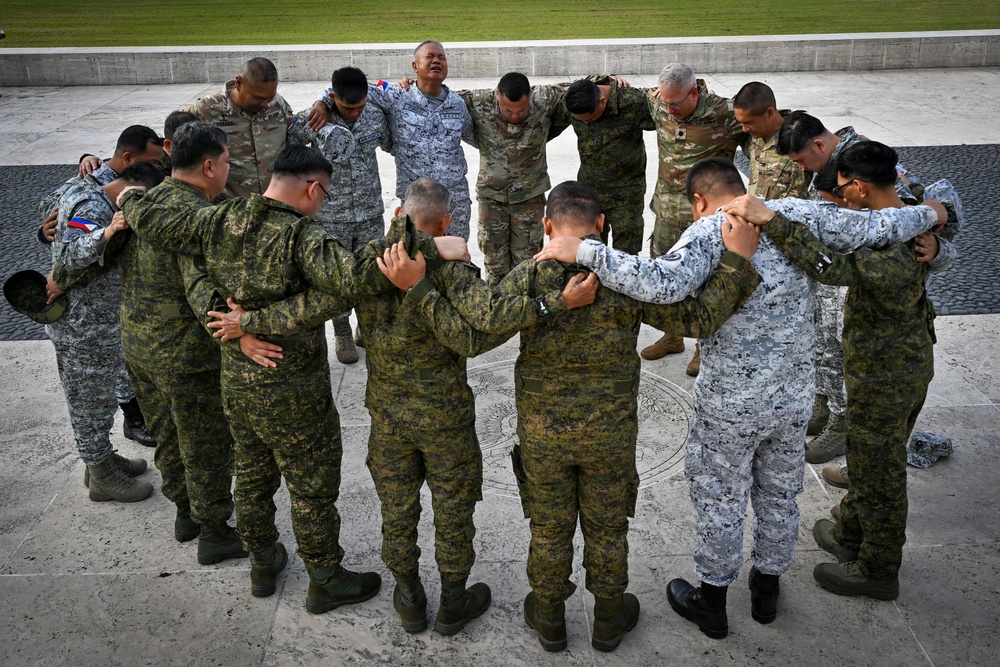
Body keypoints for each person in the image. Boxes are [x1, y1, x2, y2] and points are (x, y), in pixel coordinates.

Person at [534, 158, 948, 639]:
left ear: (698, 200)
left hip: (730, 404)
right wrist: (932, 215)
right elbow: (879, 224)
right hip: (793, 398)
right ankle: (766, 590)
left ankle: (711, 603)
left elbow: (660, 284)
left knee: (720, 500)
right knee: (779, 493)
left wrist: (586, 251)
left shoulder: (711, 231)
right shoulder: (798, 214)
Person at [120, 144, 467, 611]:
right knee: (311, 486)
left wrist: (127, 199)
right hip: (294, 387)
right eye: (323, 196)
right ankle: (324, 576)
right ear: (313, 188)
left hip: (238, 378)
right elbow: (351, 284)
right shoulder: (303, 239)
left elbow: (177, 252)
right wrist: (427, 244)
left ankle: (262, 561)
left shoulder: (217, 219)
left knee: (251, 471)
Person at [762, 142, 960, 599]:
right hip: (900, 361)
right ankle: (850, 533)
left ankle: (878, 568)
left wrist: (775, 224)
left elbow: (828, 267)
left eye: (845, 185)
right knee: (871, 455)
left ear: (864, 188)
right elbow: (933, 202)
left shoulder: (892, 249)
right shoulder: (906, 212)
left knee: (879, 471)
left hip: (887, 374)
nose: (840, 194)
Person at [115, 121, 256, 564]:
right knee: (206, 443)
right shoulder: (196, 220)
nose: (229, 171)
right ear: (211, 166)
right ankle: (214, 531)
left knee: (168, 435)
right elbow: (204, 295)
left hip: (138, 347)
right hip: (185, 355)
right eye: (229, 162)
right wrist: (245, 332)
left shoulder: (148, 200)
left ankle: (185, 514)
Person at [776, 110, 919, 465]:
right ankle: (824, 406)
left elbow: (906, 210)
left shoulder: (863, 157)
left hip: (859, 274)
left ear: (820, 145)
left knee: (842, 350)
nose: (801, 168)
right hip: (832, 273)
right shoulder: (831, 158)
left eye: (802, 160)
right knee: (824, 345)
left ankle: (842, 423)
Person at [47, 162, 165, 503]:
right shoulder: (94, 206)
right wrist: (108, 233)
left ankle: (100, 458)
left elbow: (51, 224)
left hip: (97, 320)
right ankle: (100, 476)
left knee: (99, 398)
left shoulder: (93, 194)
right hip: (84, 325)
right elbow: (70, 252)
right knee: (89, 401)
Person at [312, 40, 476, 240]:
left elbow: (474, 136)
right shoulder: (395, 94)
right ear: (414, 66)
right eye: (430, 57)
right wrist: (322, 102)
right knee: (413, 258)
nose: (436, 61)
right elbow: (347, 85)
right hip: (416, 201)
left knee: (455, 257)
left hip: (453, 200)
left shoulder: (457, 104)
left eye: (441, 57)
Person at [641, 63, 746, 365]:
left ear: (694, 93)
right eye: (665, 102)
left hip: (706, 222)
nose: (669, 109)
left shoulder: (725, 113)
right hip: (666, 214)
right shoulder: (659, 101)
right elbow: (621, 92)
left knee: (705, 284)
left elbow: (768, 121)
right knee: (664, 277)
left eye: (675, 103)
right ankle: (672, 336)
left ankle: (703, 347)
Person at [288, 66, 392, 364]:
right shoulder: (316, 116)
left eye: (359, 107)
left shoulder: (374, 114)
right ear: (332, 97)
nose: (354, 114)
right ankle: (342, 330)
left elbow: (390, 143)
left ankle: (366, 327)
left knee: (372, 270)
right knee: (335, 275)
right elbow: (288, 140)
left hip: (370, 209)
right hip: (330, 213)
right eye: (347, 108)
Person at [460, 72, 564, 284]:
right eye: (508, 110)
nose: (515, 116)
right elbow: (435, 95)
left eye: (521, 111)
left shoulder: (544, 98)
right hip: (492, 200)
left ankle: (525, 309)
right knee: (495, 263)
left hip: (529, 199)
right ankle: (498, 308)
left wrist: (607, 81)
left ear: (531, 96)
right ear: (497, 94)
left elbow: (580, 88)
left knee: (527, 265)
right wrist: (404, 84)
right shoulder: (479, 102)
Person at [551, 77, 654, 256]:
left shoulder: (633, 102)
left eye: (590, 119)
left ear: (602, 102)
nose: (586, 124)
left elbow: (671, 109)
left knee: (627, 254)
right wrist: (601, 76)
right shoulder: (573, 100)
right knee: (590, 250)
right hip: (590, 192)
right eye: (580, 121)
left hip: (627, 193)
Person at [37, 124, 164, 247]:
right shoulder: (94, 178)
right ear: (128, 158)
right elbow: (50, 208)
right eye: (153, 162)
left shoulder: (124, 176)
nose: (156, 168)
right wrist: (46, 233)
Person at [184, 57, 293, 200]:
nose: (265, 104)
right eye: (258, 98)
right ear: (239, 83)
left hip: (272, 206)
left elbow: (293, 131)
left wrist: (321, 103)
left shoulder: (278, 104)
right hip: (229, 209)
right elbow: (179, 144)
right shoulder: (207, 109)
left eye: (270, 98)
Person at [731, 82, 809, 201]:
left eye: (748, 122)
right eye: (740, 122)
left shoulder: (800, 140)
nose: (744, 129)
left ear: (769, 113)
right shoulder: (753, 137)